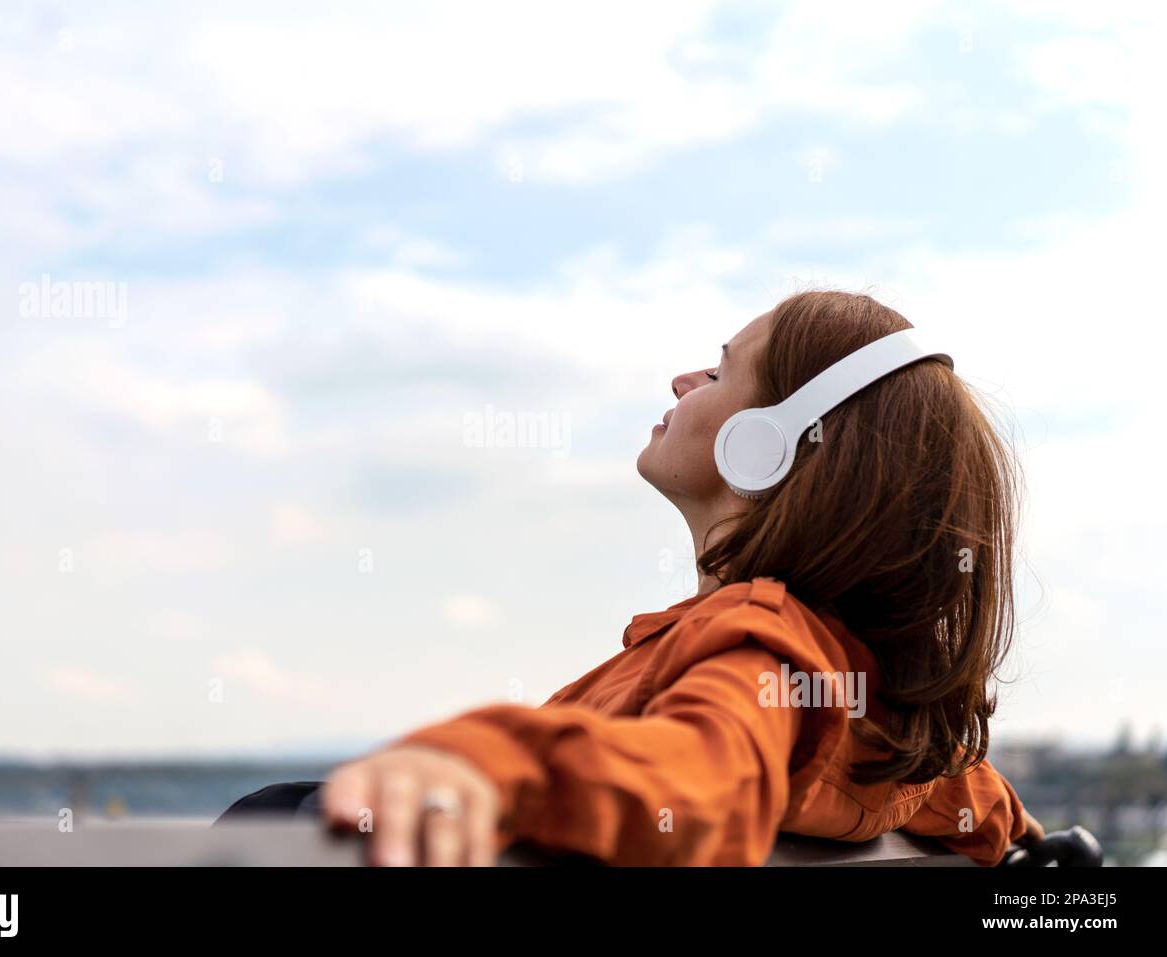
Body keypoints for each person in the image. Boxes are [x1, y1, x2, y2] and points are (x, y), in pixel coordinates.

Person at [218, 290, 1045, 866]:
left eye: (720, 374)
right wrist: (1033, 857)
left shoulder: (759, 650)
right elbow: (956, 791)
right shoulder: (867, 706)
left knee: (277, 815)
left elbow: (693, 785)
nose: (683, 381)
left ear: (769, 444)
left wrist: (485, 761)